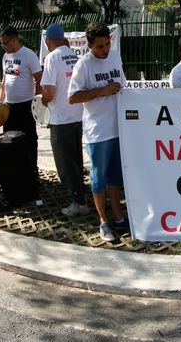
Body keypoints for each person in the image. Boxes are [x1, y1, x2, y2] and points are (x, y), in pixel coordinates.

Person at [68, 22, 127, 242]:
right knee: (98, 178)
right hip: (97, 131)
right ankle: (103, 221)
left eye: (107, 44)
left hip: (117, 128)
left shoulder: (114, 57)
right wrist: (101, 91)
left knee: (115, 177)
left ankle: (119, 217)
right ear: (90, 45)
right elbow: (72, 97)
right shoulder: (83, 65)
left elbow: (123, 84)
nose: (105, 49)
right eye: (100, 46)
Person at [40, 23, 88, 218]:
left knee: (65, 164)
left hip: (60, 119)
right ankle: (81, 197)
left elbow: (49, 93)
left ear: (48, 40)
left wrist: (41, 100)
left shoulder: (52, 58)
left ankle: (77, 202)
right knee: (76, 160)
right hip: (77, 116)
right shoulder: (75, 57)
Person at [0, 26, 42, 176]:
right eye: (2, 44)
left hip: (26, 106)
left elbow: (39, 79)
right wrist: (0, 102)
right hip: (9, 106)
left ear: (15, 39)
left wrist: (36, 104)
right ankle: (14, 171)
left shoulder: (28, 55)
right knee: (9, 139)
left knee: (29, 139)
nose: (4, 47)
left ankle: (32, 170)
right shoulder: (6, 57)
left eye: (5, 43)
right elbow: (4, 80)